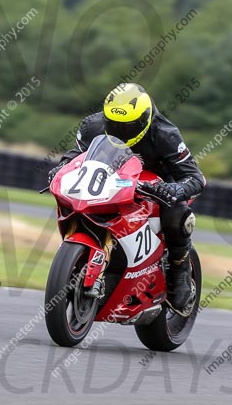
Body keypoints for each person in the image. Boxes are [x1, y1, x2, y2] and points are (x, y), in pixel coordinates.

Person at [48, 83, 206, 316]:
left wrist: (173, 189)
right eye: (113, 125)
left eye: (127, 126)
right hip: (116, 178)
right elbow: (75, 157)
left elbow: (195, 177)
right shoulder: (92, 125)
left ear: (144, 120)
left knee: (177, 214)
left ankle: (179, 269)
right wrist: (60, 169)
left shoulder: (166, 134)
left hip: (159, 183)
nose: (120, 131)